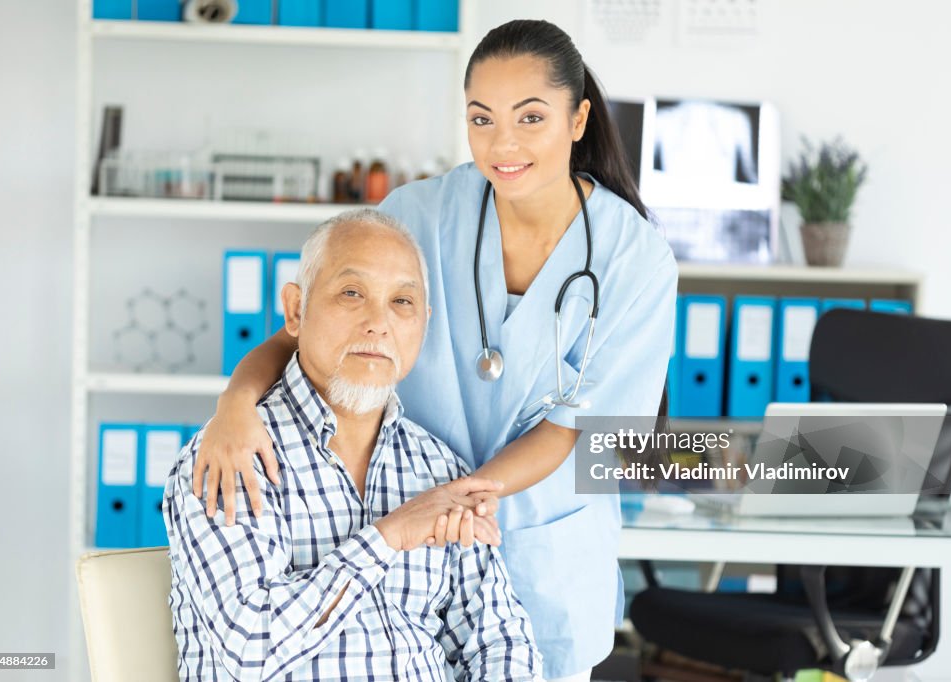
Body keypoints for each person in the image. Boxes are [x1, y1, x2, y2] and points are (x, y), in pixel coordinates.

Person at [194, 20, 677, 681]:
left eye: (529, 117)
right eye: (481, 119)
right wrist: (235, 404)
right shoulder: (421, 215)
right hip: (404, 548)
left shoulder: (635, 257)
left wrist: (451, 502)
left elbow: (588, 436)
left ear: (577, 118)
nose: (501, 143)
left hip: (542, 553)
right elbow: (307, 326)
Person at [165, 210, 543, 681]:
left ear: (424, 324)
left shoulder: (439, 467)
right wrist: (388, 537)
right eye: (351, 293)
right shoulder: (232, 458)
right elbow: (252, 650)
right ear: (296, 311)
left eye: (402, 301)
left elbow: (498, 637)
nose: (378, 323)